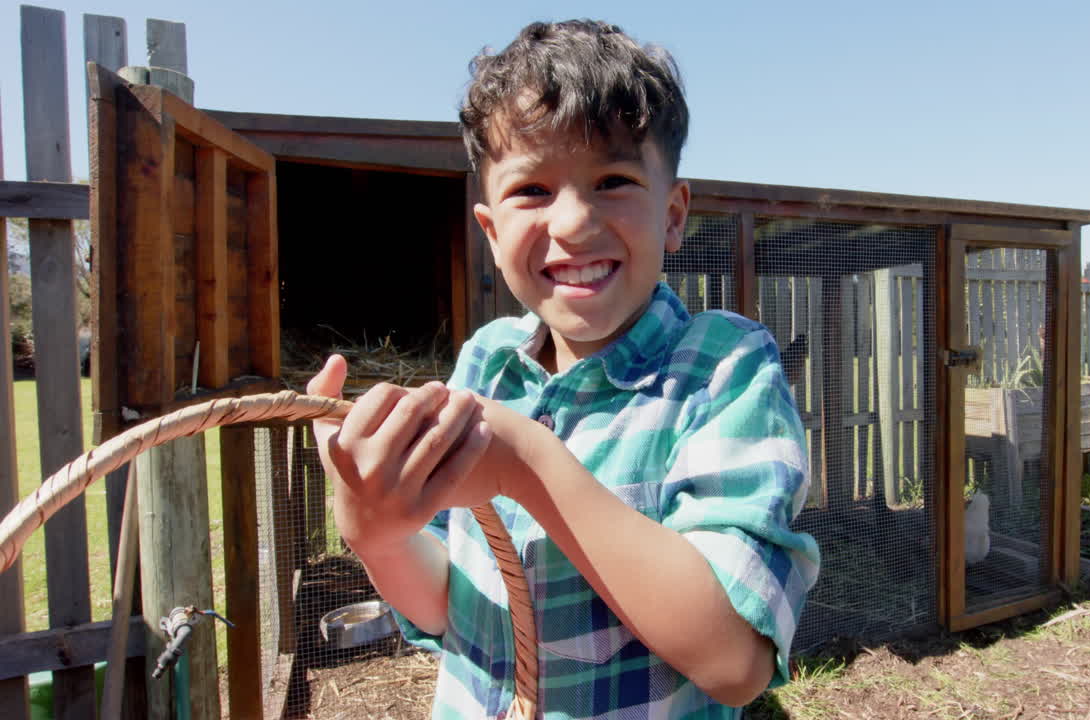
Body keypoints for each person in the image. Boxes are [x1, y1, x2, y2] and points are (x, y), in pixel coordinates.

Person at [307, 19, 819, 718]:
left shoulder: (724, 369)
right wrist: (373, 527)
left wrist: (529, 466)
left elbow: (734, 662)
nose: (574, 223)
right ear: (490, 232)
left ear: (673, 215)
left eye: (613, 180)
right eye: (532, 191)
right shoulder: (485, 362)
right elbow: (440, 604)